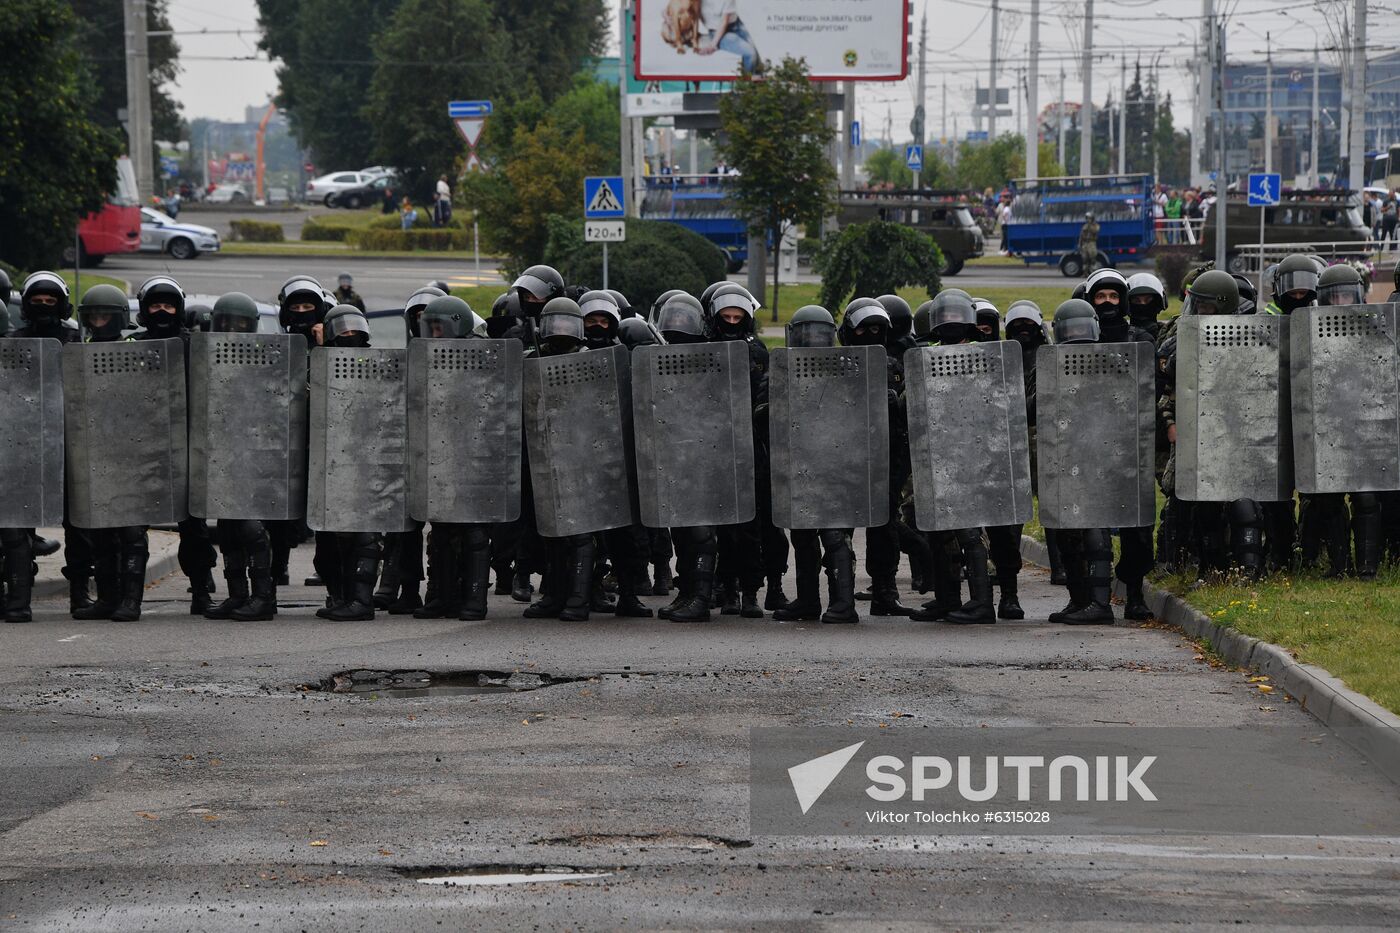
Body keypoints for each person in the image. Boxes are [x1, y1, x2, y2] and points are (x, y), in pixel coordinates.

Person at [907, 292, 996, 624]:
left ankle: (982, 603)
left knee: (970, 531)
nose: (950, 324)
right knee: (938, 529)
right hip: (935, 453)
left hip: (971, 453)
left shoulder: (983, 357)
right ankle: (948, 598)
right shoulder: (923, 358)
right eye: (945, 318)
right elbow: (911, 403)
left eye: (956, 318)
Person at [3, 274, 86, 622]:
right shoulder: (12, 342)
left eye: (51, 300)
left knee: (79, 525)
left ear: (62, 304)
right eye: (37, 300)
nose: (43, 306)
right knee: (16, 524)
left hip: (69, 443)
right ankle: (19, 601)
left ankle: (81, 598)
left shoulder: (75, 341)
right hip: (21, 445)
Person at [134, 275, 219, 614]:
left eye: (169, 305)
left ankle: (201, 592)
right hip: (142, 446)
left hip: (187, 446)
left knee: (194, 526)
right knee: (132, 526)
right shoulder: (132, 345)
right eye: (155, 305)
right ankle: (127, 597)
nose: (162, 311)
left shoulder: (195, 346)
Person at [411, 295, 499, 621]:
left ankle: (475, 600)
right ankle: (442, 597)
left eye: (439, 327)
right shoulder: (423, 355)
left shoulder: (484, 355)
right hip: (439, 452)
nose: (434, 334)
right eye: (429, 327)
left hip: (475, 452)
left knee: (474, 532)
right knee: (443, 531)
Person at [768, 306, 858, 623]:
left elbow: (864, 407)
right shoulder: (780, 369)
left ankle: (844, 604)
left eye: (820, 333)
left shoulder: (849, 368)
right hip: (800, 464)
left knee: (835, 535)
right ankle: (808, 600)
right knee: (803, 535)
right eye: (808, 333)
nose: (814, 340)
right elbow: (760, 408)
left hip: (837, 462)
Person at [71, 284, 152, 621]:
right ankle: (107, 598)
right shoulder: (80, 352)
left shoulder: (138, 351)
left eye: (106, 315)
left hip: (133, 453)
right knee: (100, 531)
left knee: (132, 533)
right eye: (94, 316)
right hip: (95, 453)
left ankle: (131, 601)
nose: (100, 321)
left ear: (120, 318)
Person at [1082, 268, 1155, 620]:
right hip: (1091, 440)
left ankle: (1135, 594)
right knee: (1093, 525)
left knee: (1138, 531)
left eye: (1113, 296)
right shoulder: (1082, 339)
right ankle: (1096, 600)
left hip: (1131, 441)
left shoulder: (1139, 337)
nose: (1107, 302)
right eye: (1101, 297)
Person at [203, 292, 279, 621]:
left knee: (251, 527)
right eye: (227, 324)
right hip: (221, 451)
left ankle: (264, 596)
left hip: (254, 452)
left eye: (240, 325)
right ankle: (237, 594)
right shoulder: (207, 355)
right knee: (228, 526)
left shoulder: (265, 357)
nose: (233, 330)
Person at [837, 298, 914, 616]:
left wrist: (897, 401)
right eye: (864, 328)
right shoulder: (835, 363)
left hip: (887, 455)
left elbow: (911, 411)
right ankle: (840, 593)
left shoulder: (894, 366)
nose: (871, 334)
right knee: (841, 526)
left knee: (885, 526)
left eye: (878, 329)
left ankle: (885, 591)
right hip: (846, 455)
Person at [522, 298, 597, 622]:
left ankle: (579, 599)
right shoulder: (532, 359)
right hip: (544, 455)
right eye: (556, 324)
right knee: (550, 532)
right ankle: (554, 594)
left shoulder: (590, 362)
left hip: (582, 456)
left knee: (580, 534)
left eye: (568, 325)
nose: (561, 332)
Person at [707, 284, 779, 617]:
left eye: (738, 317)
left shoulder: (758, 351)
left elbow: (764, 394)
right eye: (727, 316)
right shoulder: (704, 349)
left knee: (751, 525)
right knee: (721, 525)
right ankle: (727, 590)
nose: (733, 321)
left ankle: (751, 591)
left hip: (751, 445)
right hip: (715, 445)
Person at [1045, 299, 1117, 625]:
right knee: (1066, 534)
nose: (1076, 335)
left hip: (1100, 456)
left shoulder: (1112, 363)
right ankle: (1079, 600)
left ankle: (1101, 603)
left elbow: (1126, 402)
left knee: (1095, 527)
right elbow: (1036, 401)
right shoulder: (1049, 366)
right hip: (1065, 458)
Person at [652, 295, 721, 623]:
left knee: (701, 530)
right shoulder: (657, 357)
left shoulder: (712, 357)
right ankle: (688, 591)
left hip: (706, 453)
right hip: (674, 452)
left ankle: (702, 599)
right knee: (680, 528)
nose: (678, 327)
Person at [313, 305, 384, 621]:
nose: (349, 337)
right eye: (342, 332)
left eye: (354, 331)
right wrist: (320, 354)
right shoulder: (316, 364)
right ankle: (340, 597)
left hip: (365, 460)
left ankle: (361, 602)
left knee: (364, 535)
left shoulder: (378, 365)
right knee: (330, 540)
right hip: (328, 463)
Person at [694, 0, 762, 73]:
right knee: (750, 53)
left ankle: (756, 81)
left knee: (756, 57)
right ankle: (747, 83)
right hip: (716, 30)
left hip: (736, 25)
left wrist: (712, 45)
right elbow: (691, 14)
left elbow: (724, 21)